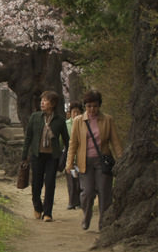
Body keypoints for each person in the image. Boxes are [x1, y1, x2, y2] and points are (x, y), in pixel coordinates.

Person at [66, 90, 123, 231]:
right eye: (89, 106)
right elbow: (73, 144)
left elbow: (115, 142)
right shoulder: (79, 121)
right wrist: (69, 163)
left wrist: (122, 160)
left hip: (103, 161)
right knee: (87, 192)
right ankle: (86, 216)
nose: (92, 109)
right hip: (84, 161)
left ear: (99, 106)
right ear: (85, 106)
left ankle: (103, 223)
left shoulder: (107, 119)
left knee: (105, 192)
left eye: (95, 106)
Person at [21, 90, 69, 222]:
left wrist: (66, 157)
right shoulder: (35, 117)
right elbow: (28, 137)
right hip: (37, 155)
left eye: (46, 100)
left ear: (53, 104)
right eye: (42, 100)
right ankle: (37, 206)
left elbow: (66, 140)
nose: (42, 102)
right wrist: (24, 155)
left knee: (50, 183)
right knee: (36, 183)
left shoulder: (60, 120)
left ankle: (48, 213)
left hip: (52, 157)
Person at [63, 102, 84, 210]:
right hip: (70, 156)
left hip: (82, 156)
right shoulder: (66, 124)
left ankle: (80, 201)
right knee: (71, 181)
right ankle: (72, 202)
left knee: (80, 181)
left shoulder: (85, 124)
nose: (75, 114)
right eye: (73, 112)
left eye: (77, 112)